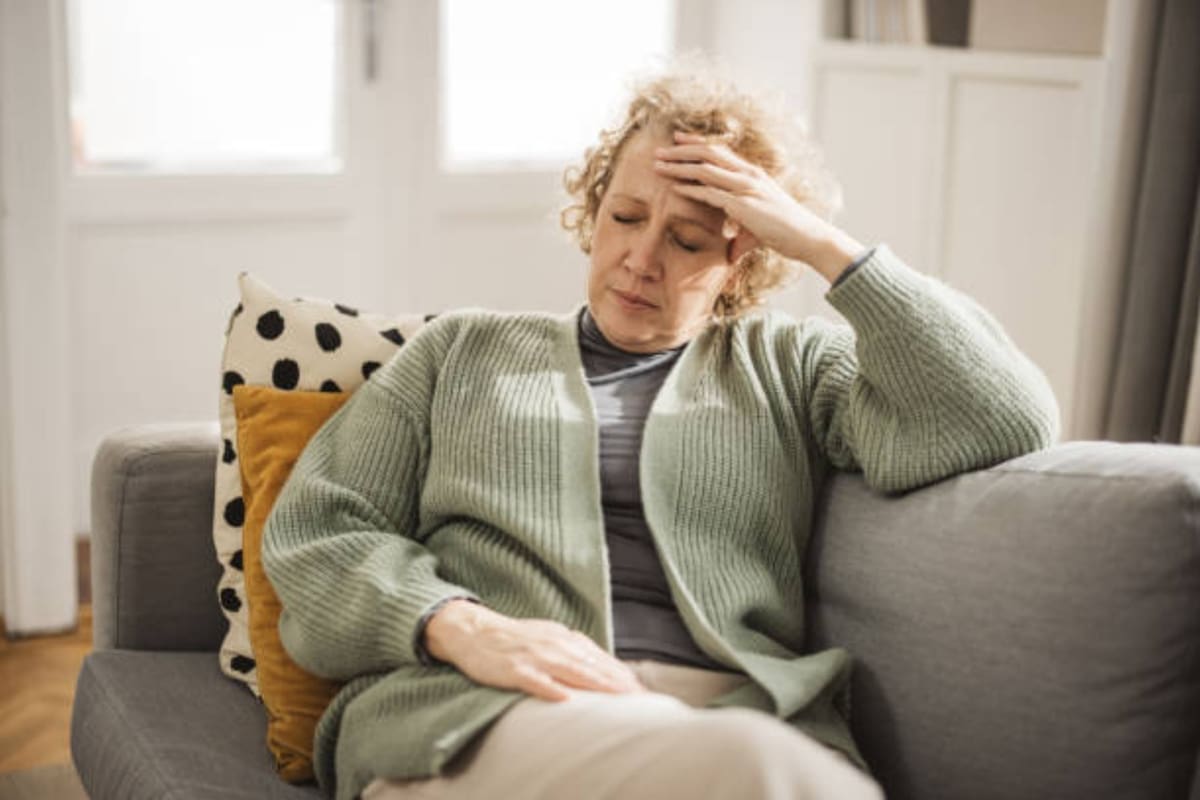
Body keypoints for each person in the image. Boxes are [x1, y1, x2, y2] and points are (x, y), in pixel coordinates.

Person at [262, 67, 1059, 800]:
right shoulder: (460, 352)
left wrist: (826, 247)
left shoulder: (793, 366)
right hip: (484, 714)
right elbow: (318, 532)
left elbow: (1001, 416)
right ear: (594, 208)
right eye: (627, 216)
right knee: (762, 771)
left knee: (752, 761)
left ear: (744, 256)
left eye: (686, 240)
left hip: (722, 717)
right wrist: (463, 627)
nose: (641, 259)